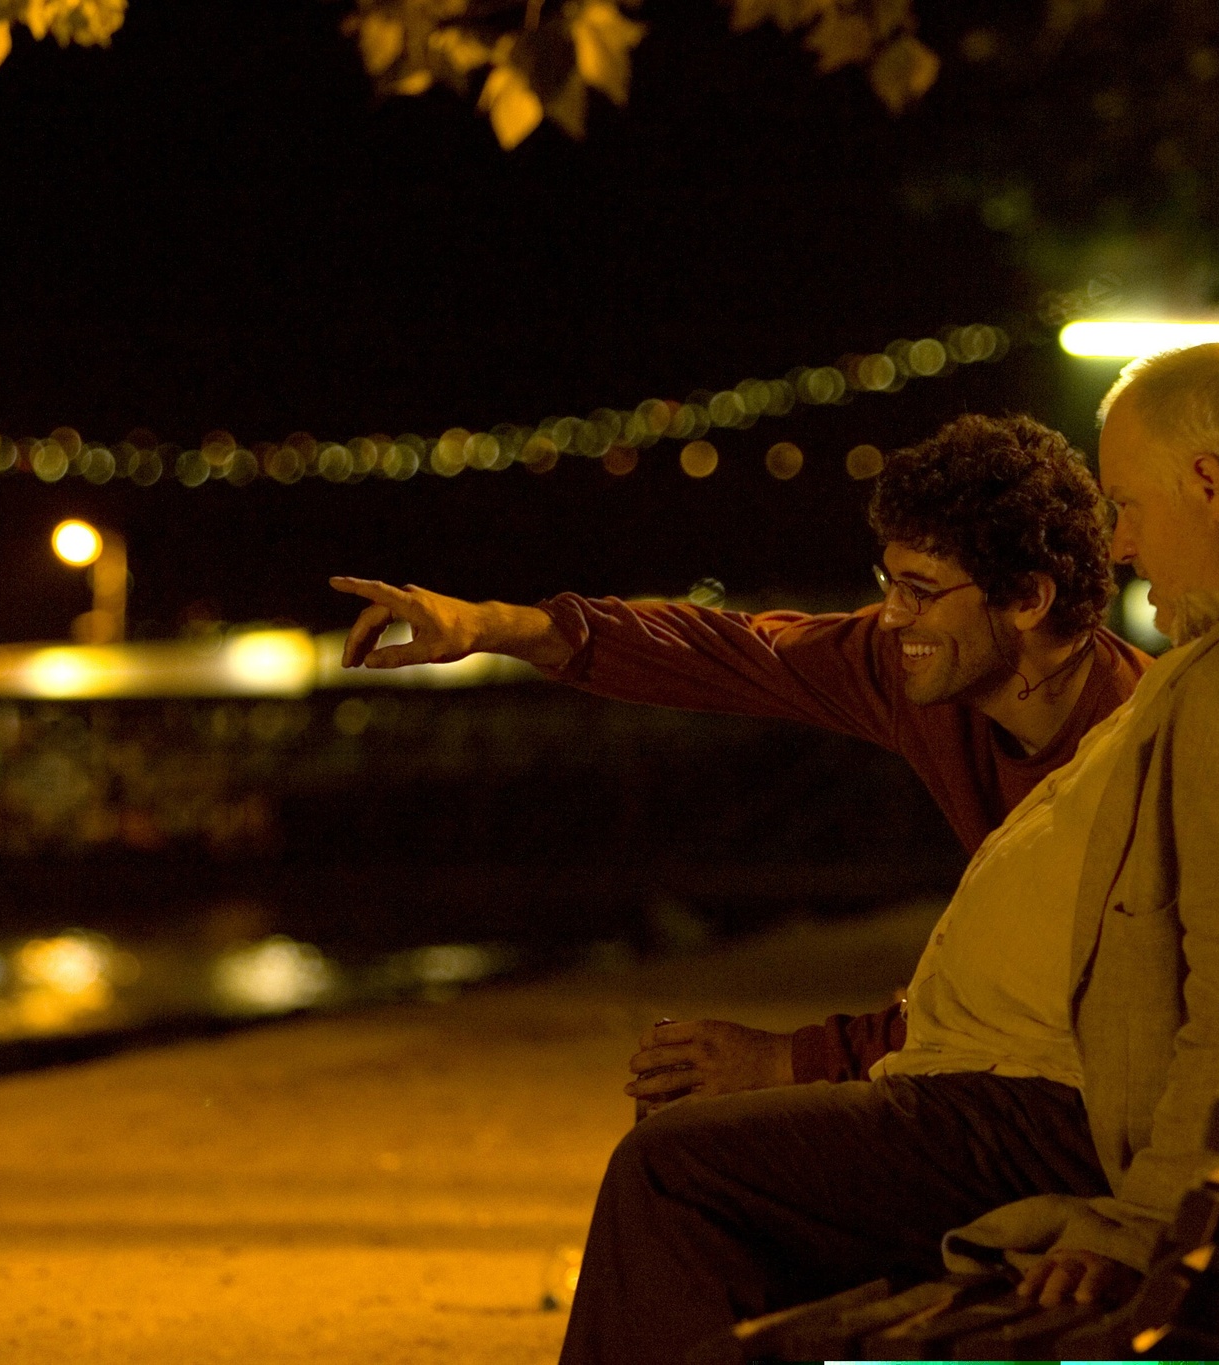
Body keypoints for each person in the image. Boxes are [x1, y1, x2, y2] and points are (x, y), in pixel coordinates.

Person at [527, 341, 1219, 1365]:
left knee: (676, 1173)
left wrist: (1140, 1226)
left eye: (1127, 505)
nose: (1121, 544)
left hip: (1056, 1119)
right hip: (1074, 1097)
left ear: (1208, 486)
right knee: (747, 1163)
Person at [333, 413, 1153, 1103]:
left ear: (1029, 598)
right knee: (687, 1122)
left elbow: (1041, 1004)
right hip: (1011, 1070)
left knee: (693, 1142)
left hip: (1083, 1106)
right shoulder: (919, 672)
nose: (894, 616)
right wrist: (492, 627)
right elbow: (733, 651)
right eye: (888, 582)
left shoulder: (1135, 747)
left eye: (921, 589)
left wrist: (786, 1060)